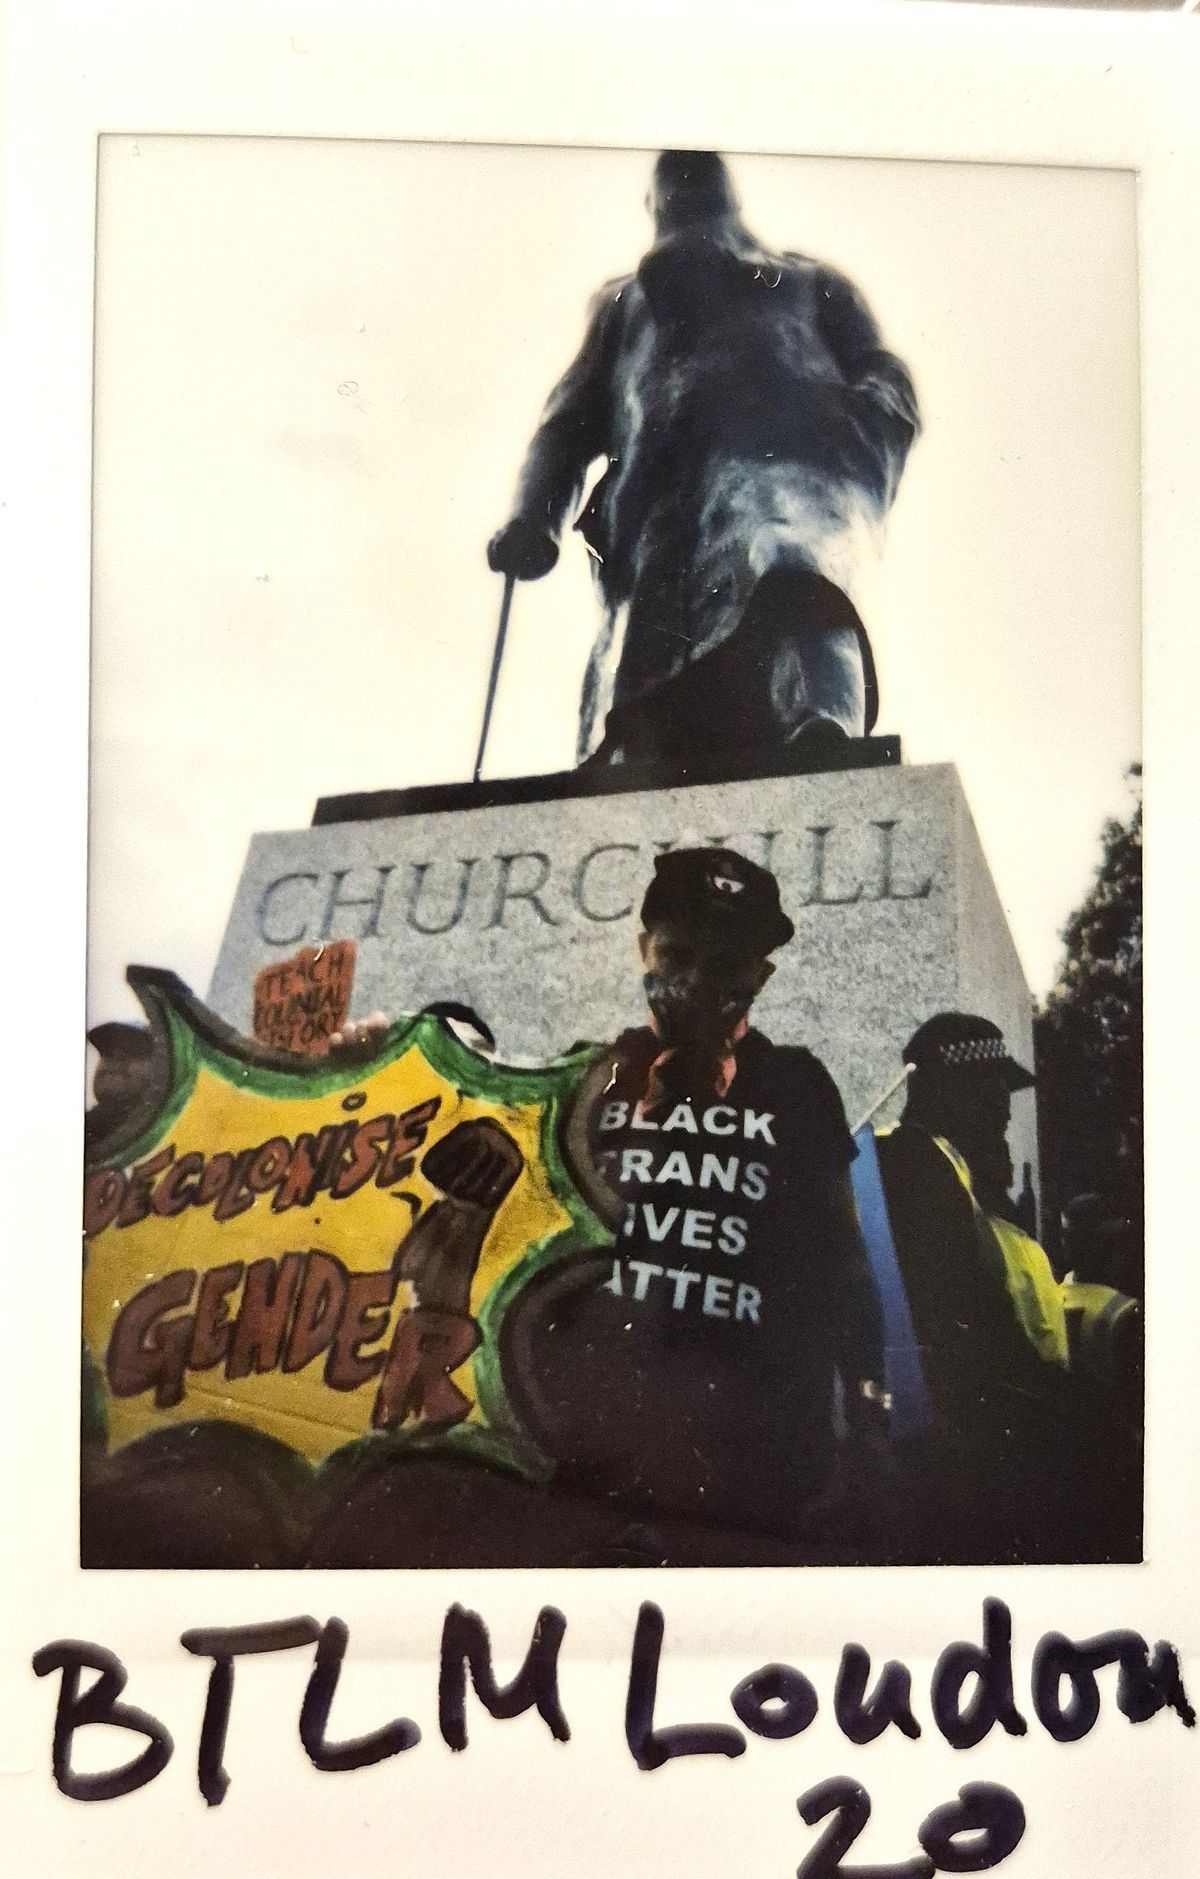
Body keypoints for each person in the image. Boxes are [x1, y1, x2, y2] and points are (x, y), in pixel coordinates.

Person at [499, 845, 889, 1564]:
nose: (696, 981)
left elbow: (847, 1264)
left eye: (728, 963)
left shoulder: (797, 1083)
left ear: (761, 975)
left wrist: (868, 1426)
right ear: (642, 946)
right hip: (593, 1473)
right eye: (677, 952)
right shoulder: (587, 1075)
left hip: (752, 1487)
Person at [488, 149, 920, 765]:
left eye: (699, 181)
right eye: (671, 187)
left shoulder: (808, 281)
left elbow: (884, 374)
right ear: (652, 207)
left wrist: (848, 432)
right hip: (660, 505)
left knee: (793, 571)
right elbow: (565, 423)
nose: (683, 193)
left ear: (730, 199)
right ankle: (639, 757)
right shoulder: (622, 306)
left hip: (790, 470)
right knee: (652, 663)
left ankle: (824, 724)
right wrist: (533, 515)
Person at [873, 1013, 1086, 1561]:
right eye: (995, 1090)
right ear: (954, 1088)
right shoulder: (921, 1166)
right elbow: (962, 1320)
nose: (1004, 1110)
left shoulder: (947, 1169)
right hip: (966, 1449)